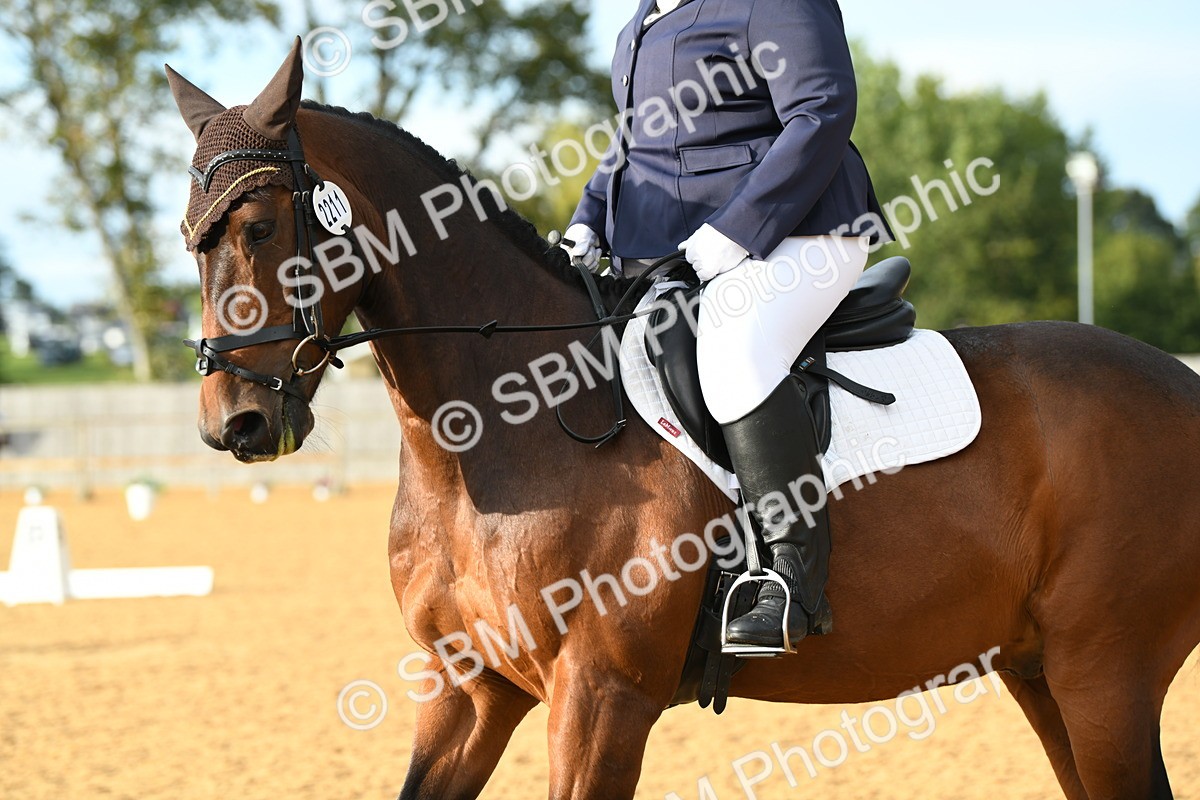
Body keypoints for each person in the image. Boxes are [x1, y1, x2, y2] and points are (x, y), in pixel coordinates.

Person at [564, 0, 892, 652]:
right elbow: (632, 147)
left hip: (801, 229)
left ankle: (792, 578)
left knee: (734, 344)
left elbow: (821, 110)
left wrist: (740, 229)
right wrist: (588, 218)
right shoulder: (640, 23)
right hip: (671, 249)